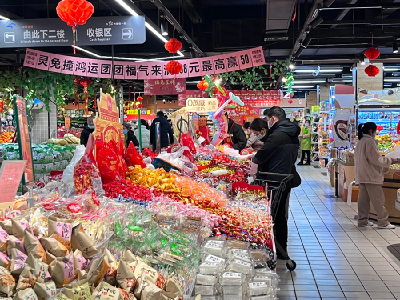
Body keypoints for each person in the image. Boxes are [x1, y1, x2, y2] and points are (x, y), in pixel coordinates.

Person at [252, 106, 301, 259]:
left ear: (273, 119)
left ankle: (275, 249)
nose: (267, 123)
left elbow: (261, 157)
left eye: (267, 120)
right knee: (280, 215)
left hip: (273, 179)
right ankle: (281, 249)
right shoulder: (291, 133)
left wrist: (255, 157)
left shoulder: (278, 135)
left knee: (273, 215)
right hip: (285, 178)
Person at [355, 122, 398, 229]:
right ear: (371, 131)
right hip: (371, 175)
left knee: (363, 199)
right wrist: (391, 160)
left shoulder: (361, 141)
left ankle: (362, 220)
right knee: (378, 199)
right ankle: (383, 221)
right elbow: (376, 159)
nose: (376, 132)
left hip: (362, 174)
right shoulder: (369, 141)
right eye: (375, 130)